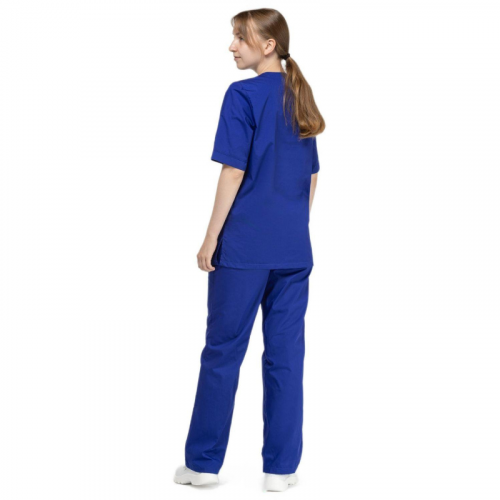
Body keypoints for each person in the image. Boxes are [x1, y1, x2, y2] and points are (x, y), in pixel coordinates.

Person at [174, 8, 325, 492]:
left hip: (243, 250)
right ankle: (281, 470)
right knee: (286, 359)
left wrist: (210, 237)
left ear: (268, 45)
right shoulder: (300, 96)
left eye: (241, 37)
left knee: (222, 353)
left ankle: (202, 464)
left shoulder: (241, 95)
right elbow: (312, 176)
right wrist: (291, 227)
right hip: (293, 251)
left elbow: (233, 170)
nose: (232, 46)